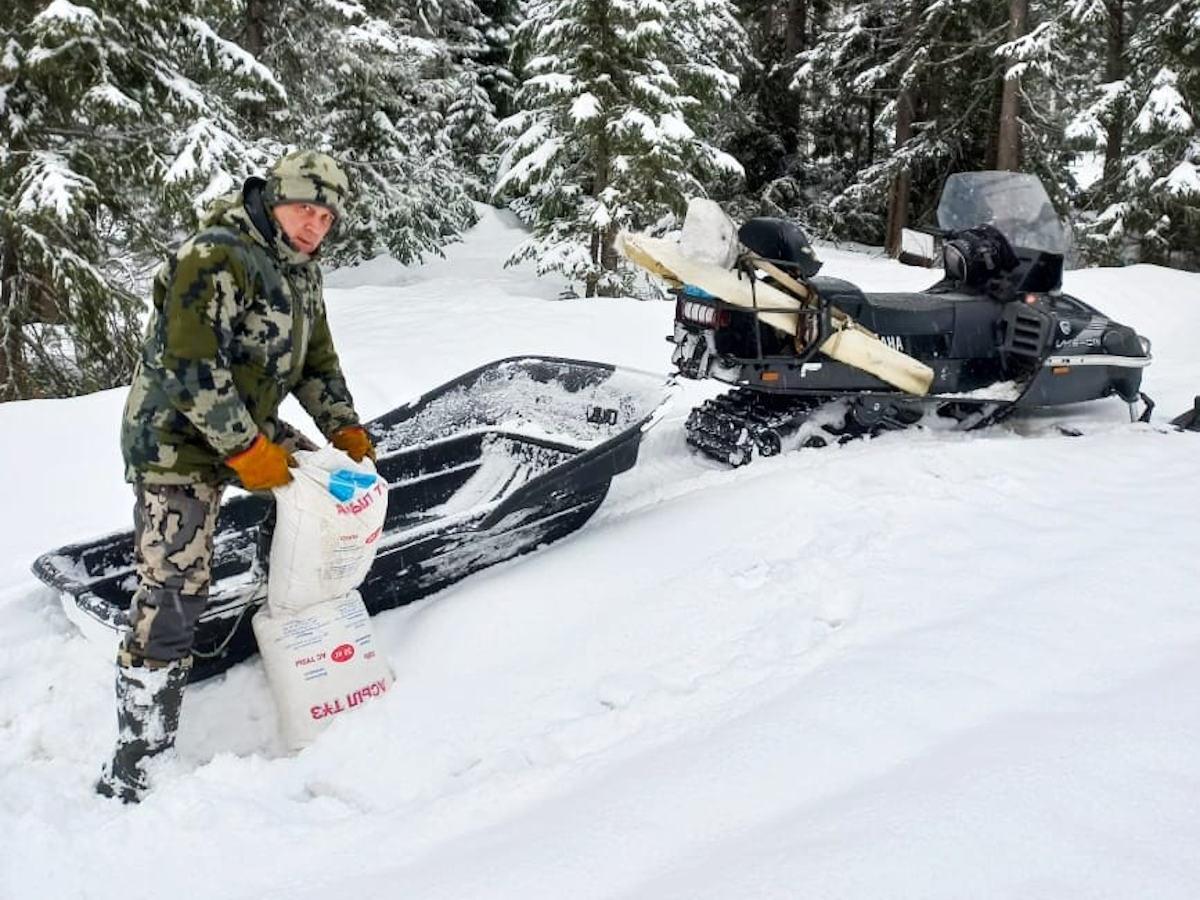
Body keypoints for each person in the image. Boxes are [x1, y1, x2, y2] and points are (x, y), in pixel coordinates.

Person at [98, 150, 377, 802]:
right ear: (273, 199)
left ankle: (283, 594)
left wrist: (345, 430)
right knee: (174, 585)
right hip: (177, 441)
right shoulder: (215, 255)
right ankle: (136, 763)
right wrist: (247, 451)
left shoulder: (300, 268)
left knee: (325, 485)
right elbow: (189, 367)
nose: (314, 224)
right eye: (304, 208)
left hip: (247, 423)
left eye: (326, 215)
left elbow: (318, 362)